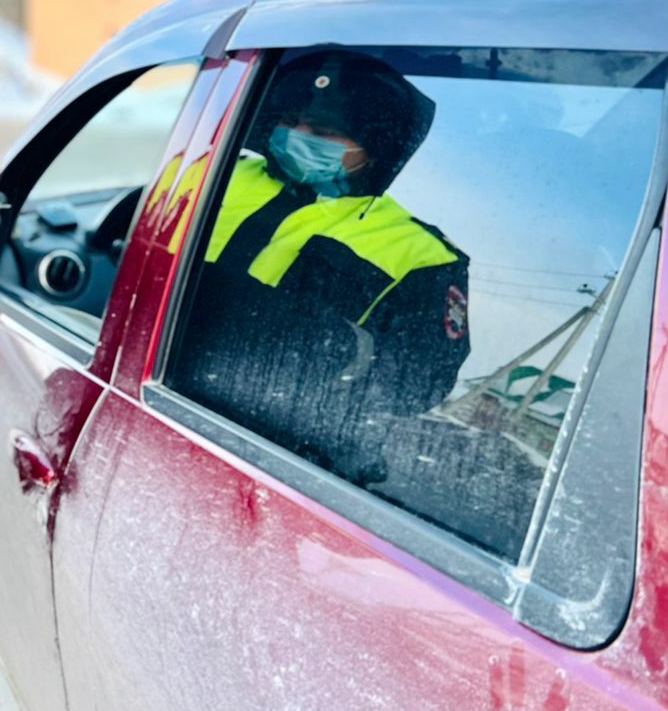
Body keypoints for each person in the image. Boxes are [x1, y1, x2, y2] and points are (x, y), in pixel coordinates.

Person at [171, 48, 470, 482]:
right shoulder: (213, 172)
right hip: (160, 392)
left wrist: (314, 340)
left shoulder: (423, 256)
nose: (297, 135)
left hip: (278, 456)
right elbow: (124, 249)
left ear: (377, 148)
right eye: (290, 121)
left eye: (324, 131)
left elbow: (420, 384)